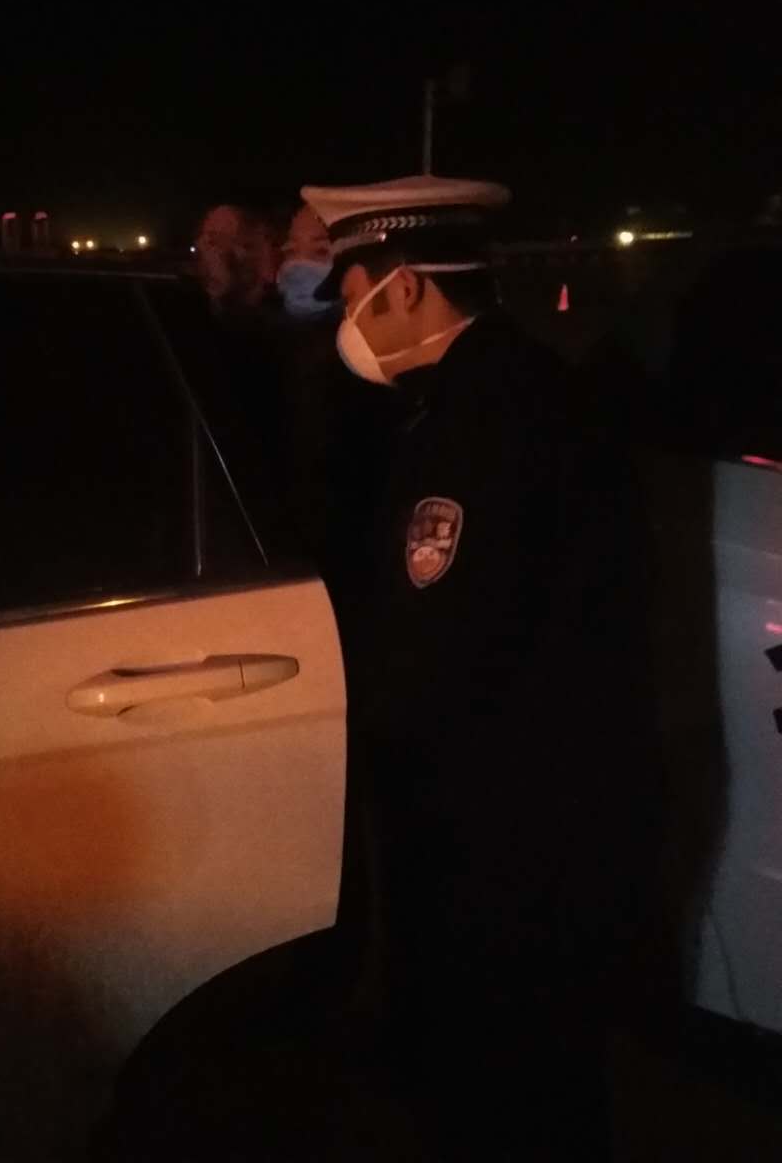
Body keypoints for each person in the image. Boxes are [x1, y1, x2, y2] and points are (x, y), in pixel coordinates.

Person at [302, 172, 657, 1161]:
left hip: (503, 834)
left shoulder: (481, 421)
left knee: (504, 1083)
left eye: (352, 293)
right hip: (542, 822)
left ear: (406, 287)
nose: (343, 319)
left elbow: (446, 641)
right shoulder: (510, 389)